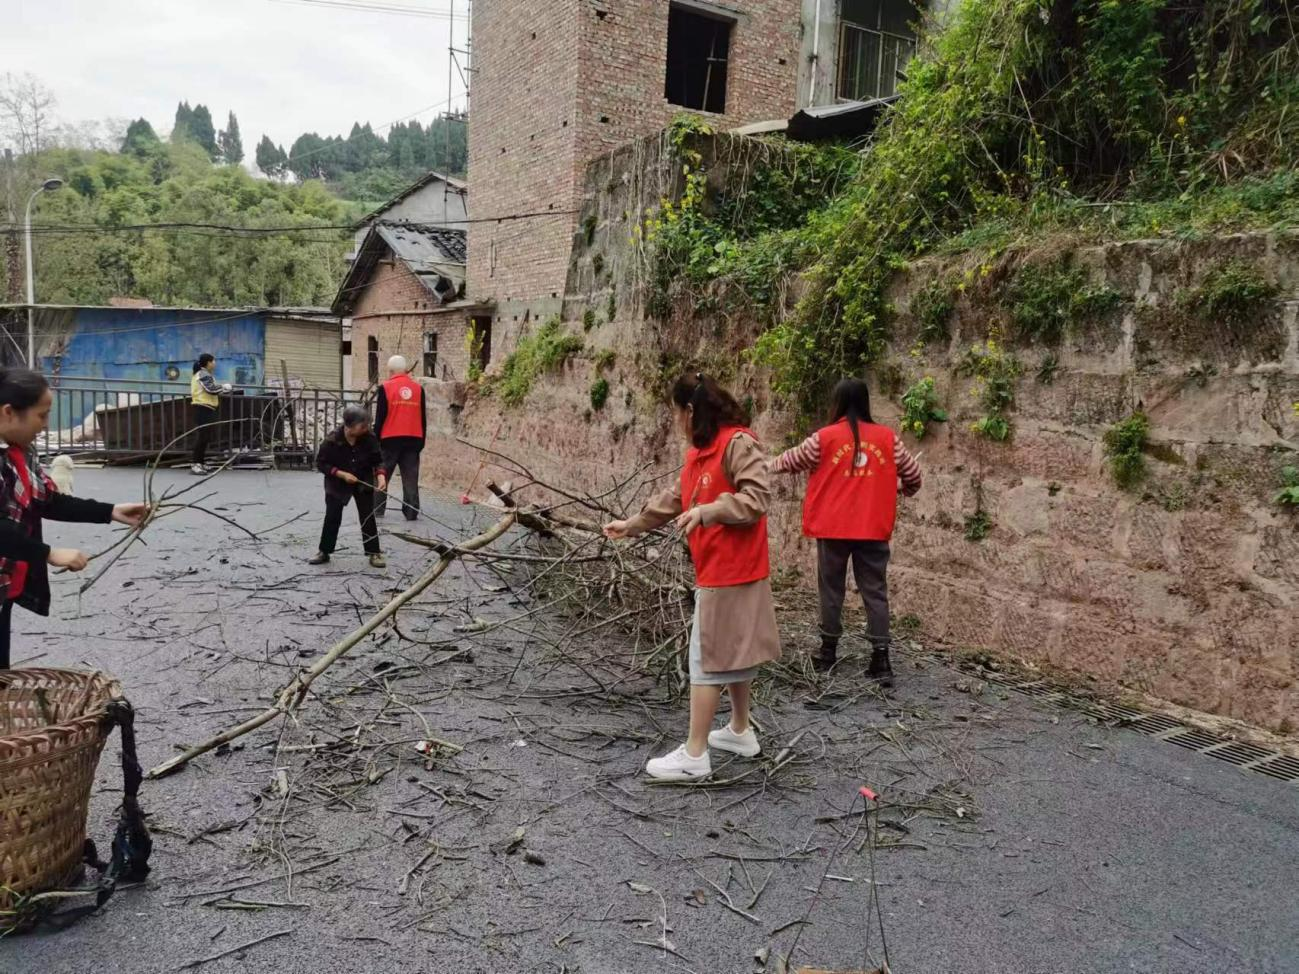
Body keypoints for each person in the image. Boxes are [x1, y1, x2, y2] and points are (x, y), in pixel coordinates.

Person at [604, 374, 780, 782]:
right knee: (735, 651)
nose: (675, 421)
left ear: (690, 411)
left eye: (675, 413)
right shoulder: (700, 454)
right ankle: (739, 731)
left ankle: (695, 754)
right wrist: (632, 525)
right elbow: (676, 498)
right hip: (722, 567)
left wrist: (709, 511)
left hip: (732, 570)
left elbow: (756, 498)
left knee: (705, 658)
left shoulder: (737, 444)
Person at [771, 378, 923, 684]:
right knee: (875, 592)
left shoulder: (823, 438)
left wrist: (763, 464)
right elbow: (914, 475)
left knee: (831, 589)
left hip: (832, 528)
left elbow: (788, 461)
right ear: (866, 402)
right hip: (872, 528)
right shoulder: (888, 439)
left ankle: (828, 651)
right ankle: (881, 659)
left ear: (837, 403)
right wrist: (901, 488)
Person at [0, 368, 148, 668]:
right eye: (42, 415)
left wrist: (110, 511)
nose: (45, 425)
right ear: (9, 413)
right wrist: (48, 553)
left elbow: (47, 500)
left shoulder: (19, 453)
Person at [309, 404, 388, 569]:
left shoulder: (369, 438)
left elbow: (378, 459)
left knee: (367, 516)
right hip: (337, 483)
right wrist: (341, 474)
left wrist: (381, 476)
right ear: (349, 426)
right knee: (332, 516)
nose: (365, 428)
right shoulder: (331, 441)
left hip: (362, 479)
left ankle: (374, 552)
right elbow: (321, 464)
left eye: (366, 425)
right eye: (362, 426)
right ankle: (324, 551)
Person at [373, 355, 426, 521]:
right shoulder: (418, 389)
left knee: (382, 475)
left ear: (390, 371)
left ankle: (377, 509)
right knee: (410, 477)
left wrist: (375, 439)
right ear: (405, 370)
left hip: (389, 439)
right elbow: (423, 418)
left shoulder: (385, 388)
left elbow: (380, 417)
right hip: (413, 438)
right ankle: (411, 511)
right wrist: (421, 441)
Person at [190, 353, 231, 475]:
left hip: (205, 408)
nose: (215, 363)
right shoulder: (203, 374)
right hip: (202, 408)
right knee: (202, 438)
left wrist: (221, 389)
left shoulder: (202, 374)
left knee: (205, 437)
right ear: (208, 363)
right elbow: (210, 389)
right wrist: (224, 387)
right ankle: (196, 464)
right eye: (213, 361)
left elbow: (210, 390)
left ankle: (201, 463)